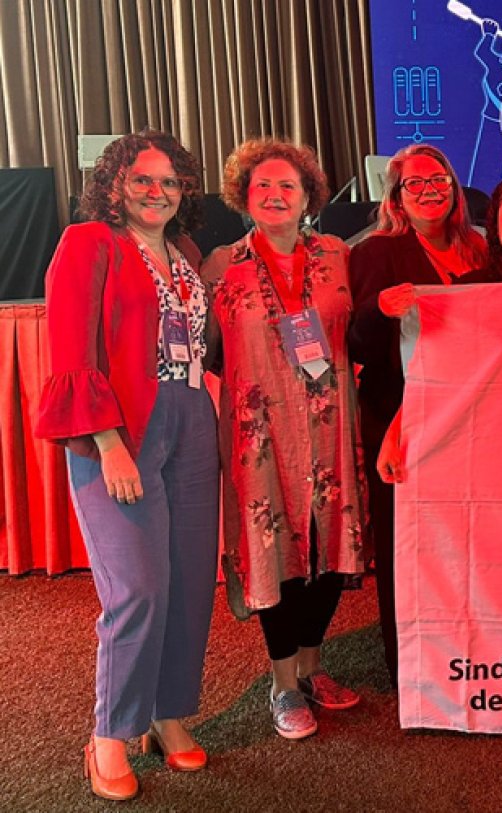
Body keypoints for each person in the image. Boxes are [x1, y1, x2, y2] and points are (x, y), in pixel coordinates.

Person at [35, 131, 217, 800]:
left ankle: (167, 714)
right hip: (120, 426)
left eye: (170, 182)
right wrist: (109, 442)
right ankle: (110, 732)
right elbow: (72, 352)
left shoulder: (186, 253)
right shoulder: (87, 243)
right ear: (113, 184)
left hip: (192, 417)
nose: (157, 191)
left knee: (190, 581)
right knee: (137, 585)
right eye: (142, 179)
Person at [202, 138, 368, 740]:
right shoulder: (223, 264)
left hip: (330, 427)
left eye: (287, 187)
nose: (274, 195)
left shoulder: (336, 255)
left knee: (329, 545)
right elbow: (205, 351)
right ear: (244, 198)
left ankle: (314, 666)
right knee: (273, 548)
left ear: (308, 198)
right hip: (259, 434)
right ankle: (282, 683)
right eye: (262, 186)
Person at [347, 144, 486, 688]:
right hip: (397, 413)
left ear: (454, 188)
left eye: (440, 181)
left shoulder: (477, 247)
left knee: (465, 534)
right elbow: (357, 345)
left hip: (470, 411)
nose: (430, 190)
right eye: (416, 184)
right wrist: (380, 313)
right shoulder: (376, 252)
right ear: (397, 197)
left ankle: (469, 649)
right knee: (407, 539)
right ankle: (408, 665)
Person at [375, 174, 502, 485]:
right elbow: (435, 372)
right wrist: (395, 433)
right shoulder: (471, 292)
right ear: (494, 224)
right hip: (490, 440)